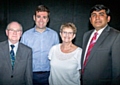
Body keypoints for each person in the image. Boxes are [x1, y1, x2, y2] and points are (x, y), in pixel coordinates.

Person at [81, 4, 120, 85]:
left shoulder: (116, 36)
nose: (97, 18)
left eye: (101, 14)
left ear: (108, 18)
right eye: (94, 15)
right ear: (90, 19)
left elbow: (117, 69)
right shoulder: (86, 35)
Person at [20, 5, 59, 85]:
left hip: (49, 74)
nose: (41, 20)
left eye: (44, 17)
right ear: (34, 18)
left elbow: (58, 55)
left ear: (48, 19)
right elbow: (21, 57)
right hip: (30, 74)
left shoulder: (54, 35)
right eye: (38, 17)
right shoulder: (26, 35)